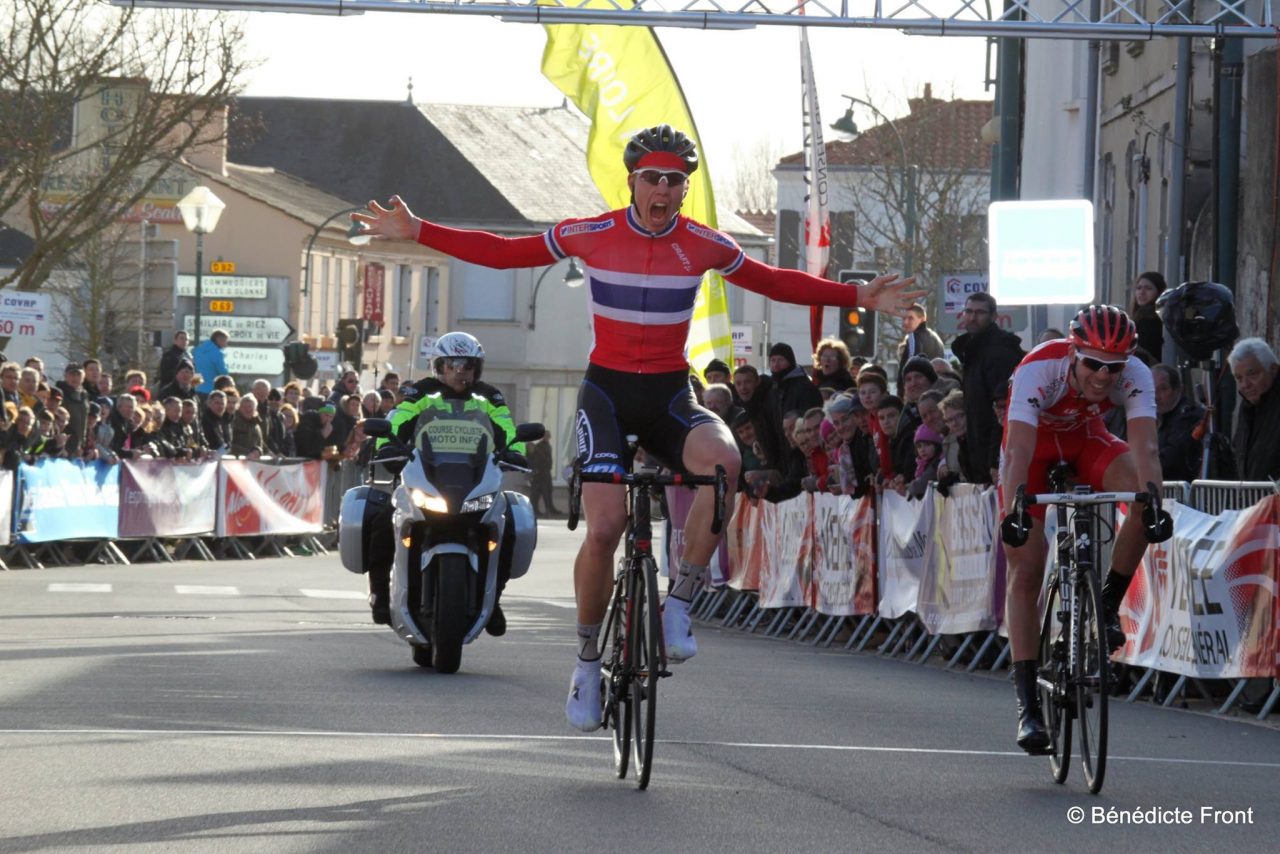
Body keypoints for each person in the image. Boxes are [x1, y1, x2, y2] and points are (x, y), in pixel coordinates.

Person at [353, 123, 921, 732]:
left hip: (670, 396)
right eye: (652, 177)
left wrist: (857, 293)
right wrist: (419, 232)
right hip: (608, 395)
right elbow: (501, 251)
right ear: (632, 182)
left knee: (725, 465)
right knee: (605, 529)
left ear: (684, 189)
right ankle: (588, 661)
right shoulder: (591, 234)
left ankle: (679, 603)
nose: (662, 189)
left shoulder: (703, 243)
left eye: (674, 181)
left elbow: (773, 280)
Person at [998, 305, 1169, 756]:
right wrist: (1012, 511)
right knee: (1028, 570)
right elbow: (1016, 452)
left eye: (1113, 367)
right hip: (1031, 454)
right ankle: (1028, 705)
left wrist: (1154, 503)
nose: (1103, 376)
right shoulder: (1040, 367)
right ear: (1074, 352)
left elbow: (1146, 446)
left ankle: (1107, 604)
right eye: (1093, 363)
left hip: (1086, 442)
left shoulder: (1135, 374)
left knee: (1140, 494)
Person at [376, 332, 525, 628]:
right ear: (440, 366)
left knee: (512, 522)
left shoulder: (488, 398)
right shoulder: (422, 393)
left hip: (473, 480)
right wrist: (387, 445)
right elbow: (398, 420)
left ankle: (493, 599)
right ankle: (379, 595)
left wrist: (517, 452)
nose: (461, 371)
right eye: (453, 364)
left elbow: (507, 428)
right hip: (428, 477)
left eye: (468, 365)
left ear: (476, 368)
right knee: (381, 518)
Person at [952, 292, 1024, 485]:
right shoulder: (972, 353)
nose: (973, 317)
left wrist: (995, 459)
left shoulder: (999, 354)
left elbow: (1003, 411)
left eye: (980, 312)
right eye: (969, 311)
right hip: (980, 457)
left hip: (997, 460)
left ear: (993, 317)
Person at [1228, 337, 1280, 480]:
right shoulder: (1247, 408)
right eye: (1239, 378)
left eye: (1252, 374)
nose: (1245, 384)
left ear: (1273, 369)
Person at [1151, 364, 1204, 482]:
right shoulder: (1158, 417)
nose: (1156, 396)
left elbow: (1170, 462)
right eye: (1151, 388)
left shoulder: (1188, 417)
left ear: (1178, 390)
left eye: (1163, 389)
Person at [896, 302, 946, 380]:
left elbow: (910, 367)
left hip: (918, 388)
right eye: (904, 318)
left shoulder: (914, 336)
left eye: (910, 318)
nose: (905, 322)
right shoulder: (936, 338)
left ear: (923, 319)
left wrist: (901, 387)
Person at [1129, 271, 1166, 359]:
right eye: (1139, 288)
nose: (1142, 292)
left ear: (1159, 292)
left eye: (1148, 288)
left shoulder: (1152, 320)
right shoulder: (1139, 316)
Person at [527, 433, 559, 516]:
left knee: (547, 491)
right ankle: (536, 509)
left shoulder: (547, 446)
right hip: (539, 473)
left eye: (548, 436)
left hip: (545, 472)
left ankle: (549, 509)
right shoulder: (539, 447)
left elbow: (548, 459)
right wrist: (533, 472)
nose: (548, 437)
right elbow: (534, 461)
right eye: (547, 435)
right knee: (537, 493)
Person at [193, 330, 230, 395]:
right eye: (225, 341)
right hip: (211, 389)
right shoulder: (217, 353)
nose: (226, 345)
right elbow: (223, 372)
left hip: (196, 387)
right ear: (218, 339)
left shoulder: (197, 350)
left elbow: (194, 368)